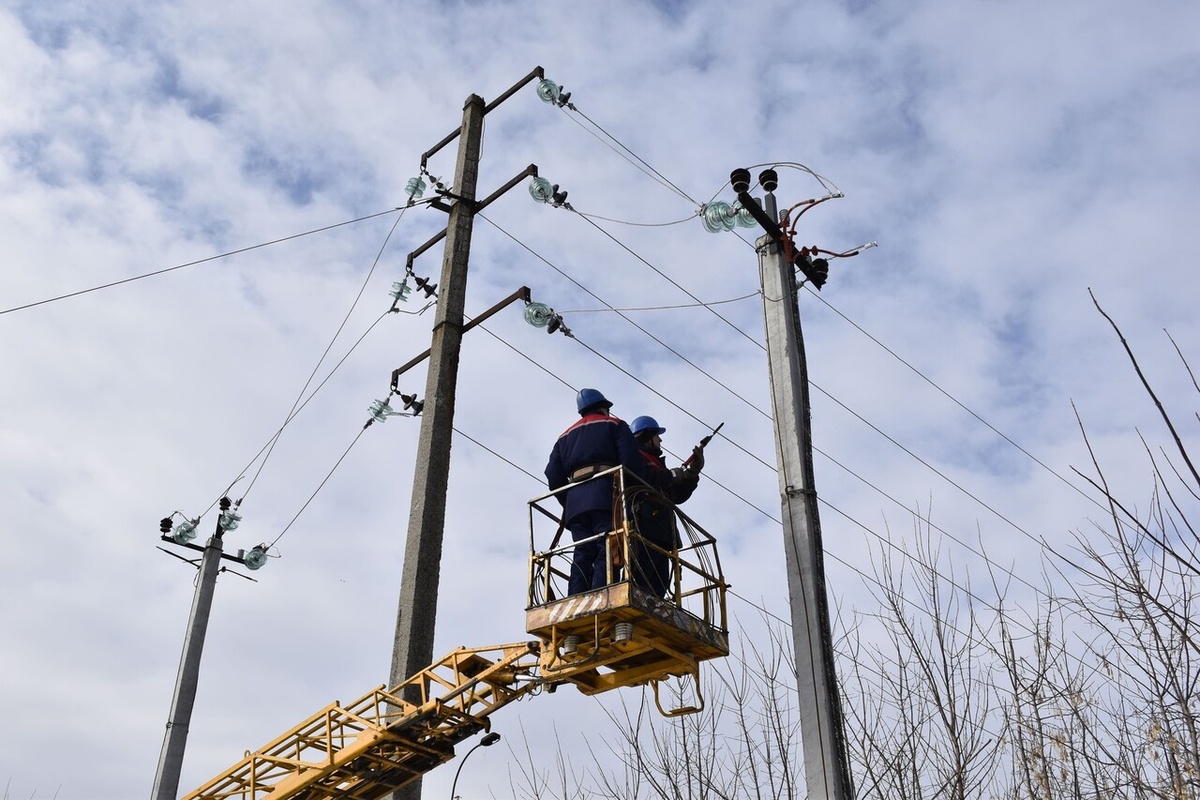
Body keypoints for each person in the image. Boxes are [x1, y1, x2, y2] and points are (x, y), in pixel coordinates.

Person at [545, 389, 648, 595]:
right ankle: (603, 593)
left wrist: (569, 500)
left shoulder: (564, 437)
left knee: (582, 550)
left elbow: (553, 475)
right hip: (605, 497)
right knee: (607, 545)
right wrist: (635, 492)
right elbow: (631, 462)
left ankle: (576, 596)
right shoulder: (615, 425)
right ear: (603, 407)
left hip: (576, 503)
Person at [627, 415, 703, 598]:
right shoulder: (635, 458)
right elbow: (645, 480)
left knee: (659, 582)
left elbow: (677, 496)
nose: (660, 439)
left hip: (662, 532)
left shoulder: (656, 462)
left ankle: (655, 605)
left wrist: (693, 473)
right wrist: (670, 475)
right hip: (644, 527)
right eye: (657, 435)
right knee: (643, 577)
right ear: (646, 436)